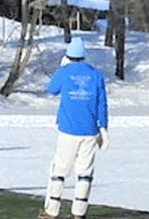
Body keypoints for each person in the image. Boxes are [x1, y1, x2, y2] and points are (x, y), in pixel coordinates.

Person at [43, 38, 109, 219]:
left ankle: (52, 210)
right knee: (85, 173)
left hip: (68, 129)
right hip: (90, 131)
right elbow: (102, 104)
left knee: (59, 170)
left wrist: (61, 69)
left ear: (68, 55)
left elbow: (51, 89)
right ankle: (79, 213)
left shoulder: (64, 72)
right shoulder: (96, 75)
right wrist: (103, 127)